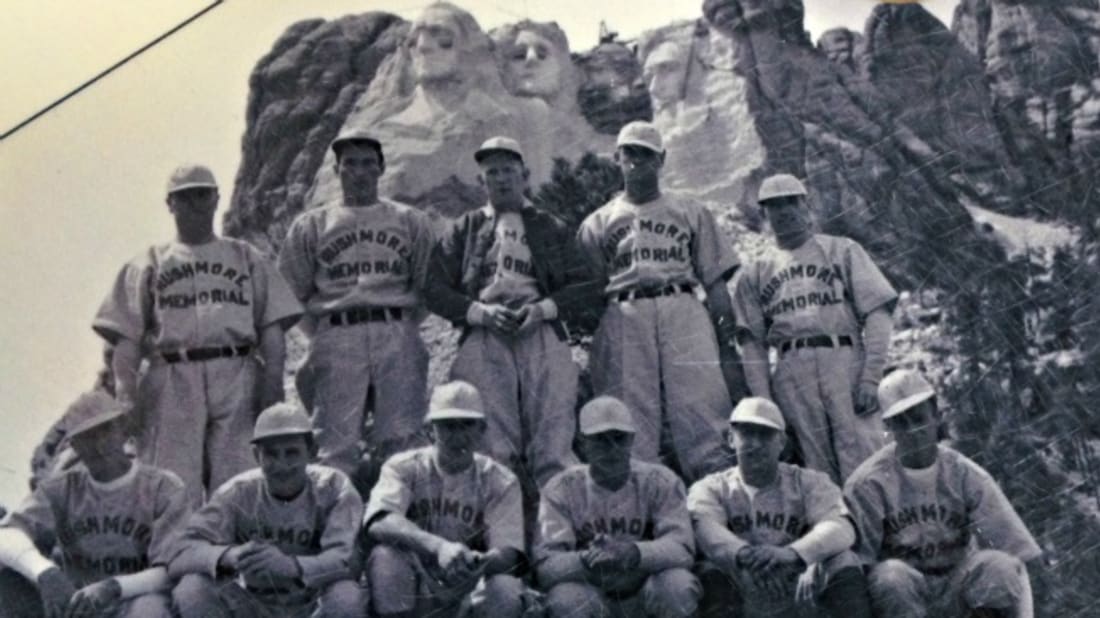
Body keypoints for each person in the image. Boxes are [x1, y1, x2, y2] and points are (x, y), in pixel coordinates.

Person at [93, 164, 301, 506]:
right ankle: (174, 554)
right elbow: (125, 339)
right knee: (171, 477)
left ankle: (229, 554)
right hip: (172, 372)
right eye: (184, 196)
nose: (195, 203)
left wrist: (273, 382)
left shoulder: (245, 256)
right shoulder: (149, 262)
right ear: (169, 204)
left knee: (239, 473)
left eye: (202, 194)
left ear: (216, 198)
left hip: (236, 368)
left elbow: (271, 326)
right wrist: (126, 395)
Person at [426, 136, 599, 497]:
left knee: (553, 431)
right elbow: (433, 286)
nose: (501, 179)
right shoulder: (466, 227)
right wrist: (478, 312)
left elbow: (587, 282)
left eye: (509, 171)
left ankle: (555, 526)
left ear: (525, 175)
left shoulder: (550, 224)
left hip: (540, 331)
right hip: (485, 334)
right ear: (481, 181)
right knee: (489, 437)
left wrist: (543, 309)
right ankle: (500, 523)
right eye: (492, 173)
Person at [576, 120, 741, 482]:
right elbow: (588, 292)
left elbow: (714, 282)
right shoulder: (598, 222)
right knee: (631, 412)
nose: (637, 161)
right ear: (616, 158)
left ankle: (715, 498)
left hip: (680, 303)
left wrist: (725, 338)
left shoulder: (689, 210)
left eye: (646, 154)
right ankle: (641, 500)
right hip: (625, 308)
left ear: (661, 159)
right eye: (629, 153)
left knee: (701, 404)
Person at [278, 130, 435, 489]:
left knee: (402, 440)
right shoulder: (313, 224)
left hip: (396, 329)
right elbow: (291, 293)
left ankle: (397, 530)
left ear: (381, 169)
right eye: (350, 164)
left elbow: (428, 286)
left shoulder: (410, 221)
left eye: (368, 164)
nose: (360, 172)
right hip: (336, 332)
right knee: (334, 444)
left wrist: (402, 323)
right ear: (337, 170)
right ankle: (339, 537)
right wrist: (323, 333)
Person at [731, 173, 897, 483]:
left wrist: (871, 377)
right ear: (764, 212)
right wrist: (767, 405)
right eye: (774, 205)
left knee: (867, 458)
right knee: (816, 469)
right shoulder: (756, 271)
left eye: (791, 202)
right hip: (791, 369)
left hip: (844, 358)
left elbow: (877, 313)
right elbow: (751, 343)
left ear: (805, 204)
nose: (784, 211)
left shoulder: (841, 250)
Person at [844, 369, 1043, 618]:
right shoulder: (868, 484)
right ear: (888, 427)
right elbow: (855, 567)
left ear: (936, 416)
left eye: (919, 419)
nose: (913, 430)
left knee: (998, 566)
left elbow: (1018, 554)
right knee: (890, 575)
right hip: (905, 597)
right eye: (901, 423)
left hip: (957, 587)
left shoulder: (965, 474)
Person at [0, 391, 189, 618]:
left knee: (150, 610)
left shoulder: (162, 487)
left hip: (137, 599)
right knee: (7, 577)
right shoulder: (62, 488)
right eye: (86, 438)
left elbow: (174, 567)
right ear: (74, 446)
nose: (98, 445)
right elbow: (7, 535)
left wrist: (114, 587)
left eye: (105, 431)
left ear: (123, 429)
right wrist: (45, 573)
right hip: (78, 602)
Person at [170, 403, 364, 618]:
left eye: (292, 453)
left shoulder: (333, 487)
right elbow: (180, 551)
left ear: (311, 451)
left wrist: (292, 566)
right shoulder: (238, 492)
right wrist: (230, 555)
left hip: (310, 604)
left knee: (346, 595)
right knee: (192, 588)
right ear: (256, 455)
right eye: (271, 454)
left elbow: (349, 561)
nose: (282, 465)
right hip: (251, 604)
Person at [688, 397, 873, 617]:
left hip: (797, 589)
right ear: (731, 439)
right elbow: (704, 528)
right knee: (709, 571)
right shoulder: (711, 487)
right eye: (746, 433)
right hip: (743, 591)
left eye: (765, 434)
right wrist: (744, 556)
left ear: (782, 442)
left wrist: (793, 554)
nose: (755, 443)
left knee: (844, 560)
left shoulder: (808, 482)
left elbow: (841, 527)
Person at [363, 381, 527, 618]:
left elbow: (509, 552)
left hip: (468, 583)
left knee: (506, 588)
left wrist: (471, 562)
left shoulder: (500, 479)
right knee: (385, 558)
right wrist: (438, 547)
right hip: (417, 580)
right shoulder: (404, 467)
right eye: (448, 426)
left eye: (467, 425)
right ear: (430, 429)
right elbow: (380, 520)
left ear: (482, 429)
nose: (458, 435)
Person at [535, 396, 701, 618]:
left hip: (644, 593)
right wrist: (587, 559)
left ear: (632, 439)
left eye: (618, 438)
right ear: (582, 442)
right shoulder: (561, 488)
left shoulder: (660, 480)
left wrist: (633, 552)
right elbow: (546, 568)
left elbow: (683, 551)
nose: (611, 448)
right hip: (594, 594)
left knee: (677, 584)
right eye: (600, 439)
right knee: (565, 597)